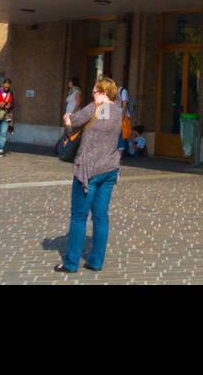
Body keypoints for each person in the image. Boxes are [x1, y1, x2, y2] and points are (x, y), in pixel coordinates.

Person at [56, 77, 123, 273]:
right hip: (109, 168)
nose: (92, 94)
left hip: (88, 170)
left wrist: (67, 115)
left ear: (103, 92)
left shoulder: (94, 108)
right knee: (101, 215)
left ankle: (70, 263)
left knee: (78, 216)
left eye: (94, 91)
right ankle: (96, 261)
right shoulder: (117, 113)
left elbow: (71, 123)